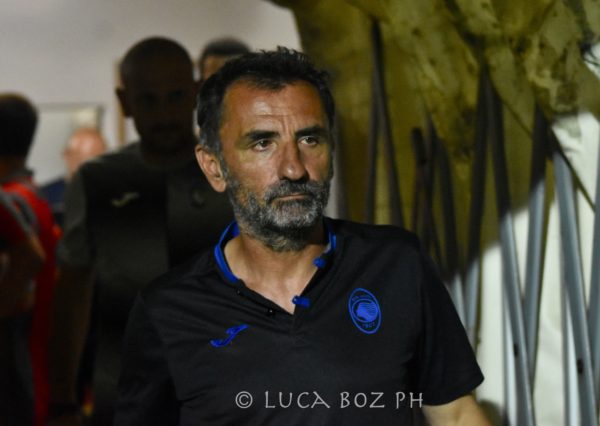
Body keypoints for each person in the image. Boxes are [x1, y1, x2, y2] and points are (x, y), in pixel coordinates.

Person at [115, 48, 490, 425]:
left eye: (310, 139)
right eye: (262, 143)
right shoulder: (167, 310)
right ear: (214, 167)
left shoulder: (396, 265)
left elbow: (456, 414)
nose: (293, 169)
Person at [48, 37, 233, 425]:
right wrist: (62, 401)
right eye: (148, 100)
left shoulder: (232, 175)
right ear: (125, 101)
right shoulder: (96, 181)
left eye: (175, 96)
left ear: (195, 93)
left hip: (224, 391)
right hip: (125, 395)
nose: (164, 114)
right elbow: (72, 293)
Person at [0, 93, 61, 426]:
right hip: (38, 364)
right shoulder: (33, 197)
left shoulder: (12, 203)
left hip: (18, 372)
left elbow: (26, 266)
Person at [41, 127, 107, 226]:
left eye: (97, 159)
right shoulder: (44, 197)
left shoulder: (112, 196)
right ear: (66, 155)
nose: (89, 167)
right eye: (81, 157)